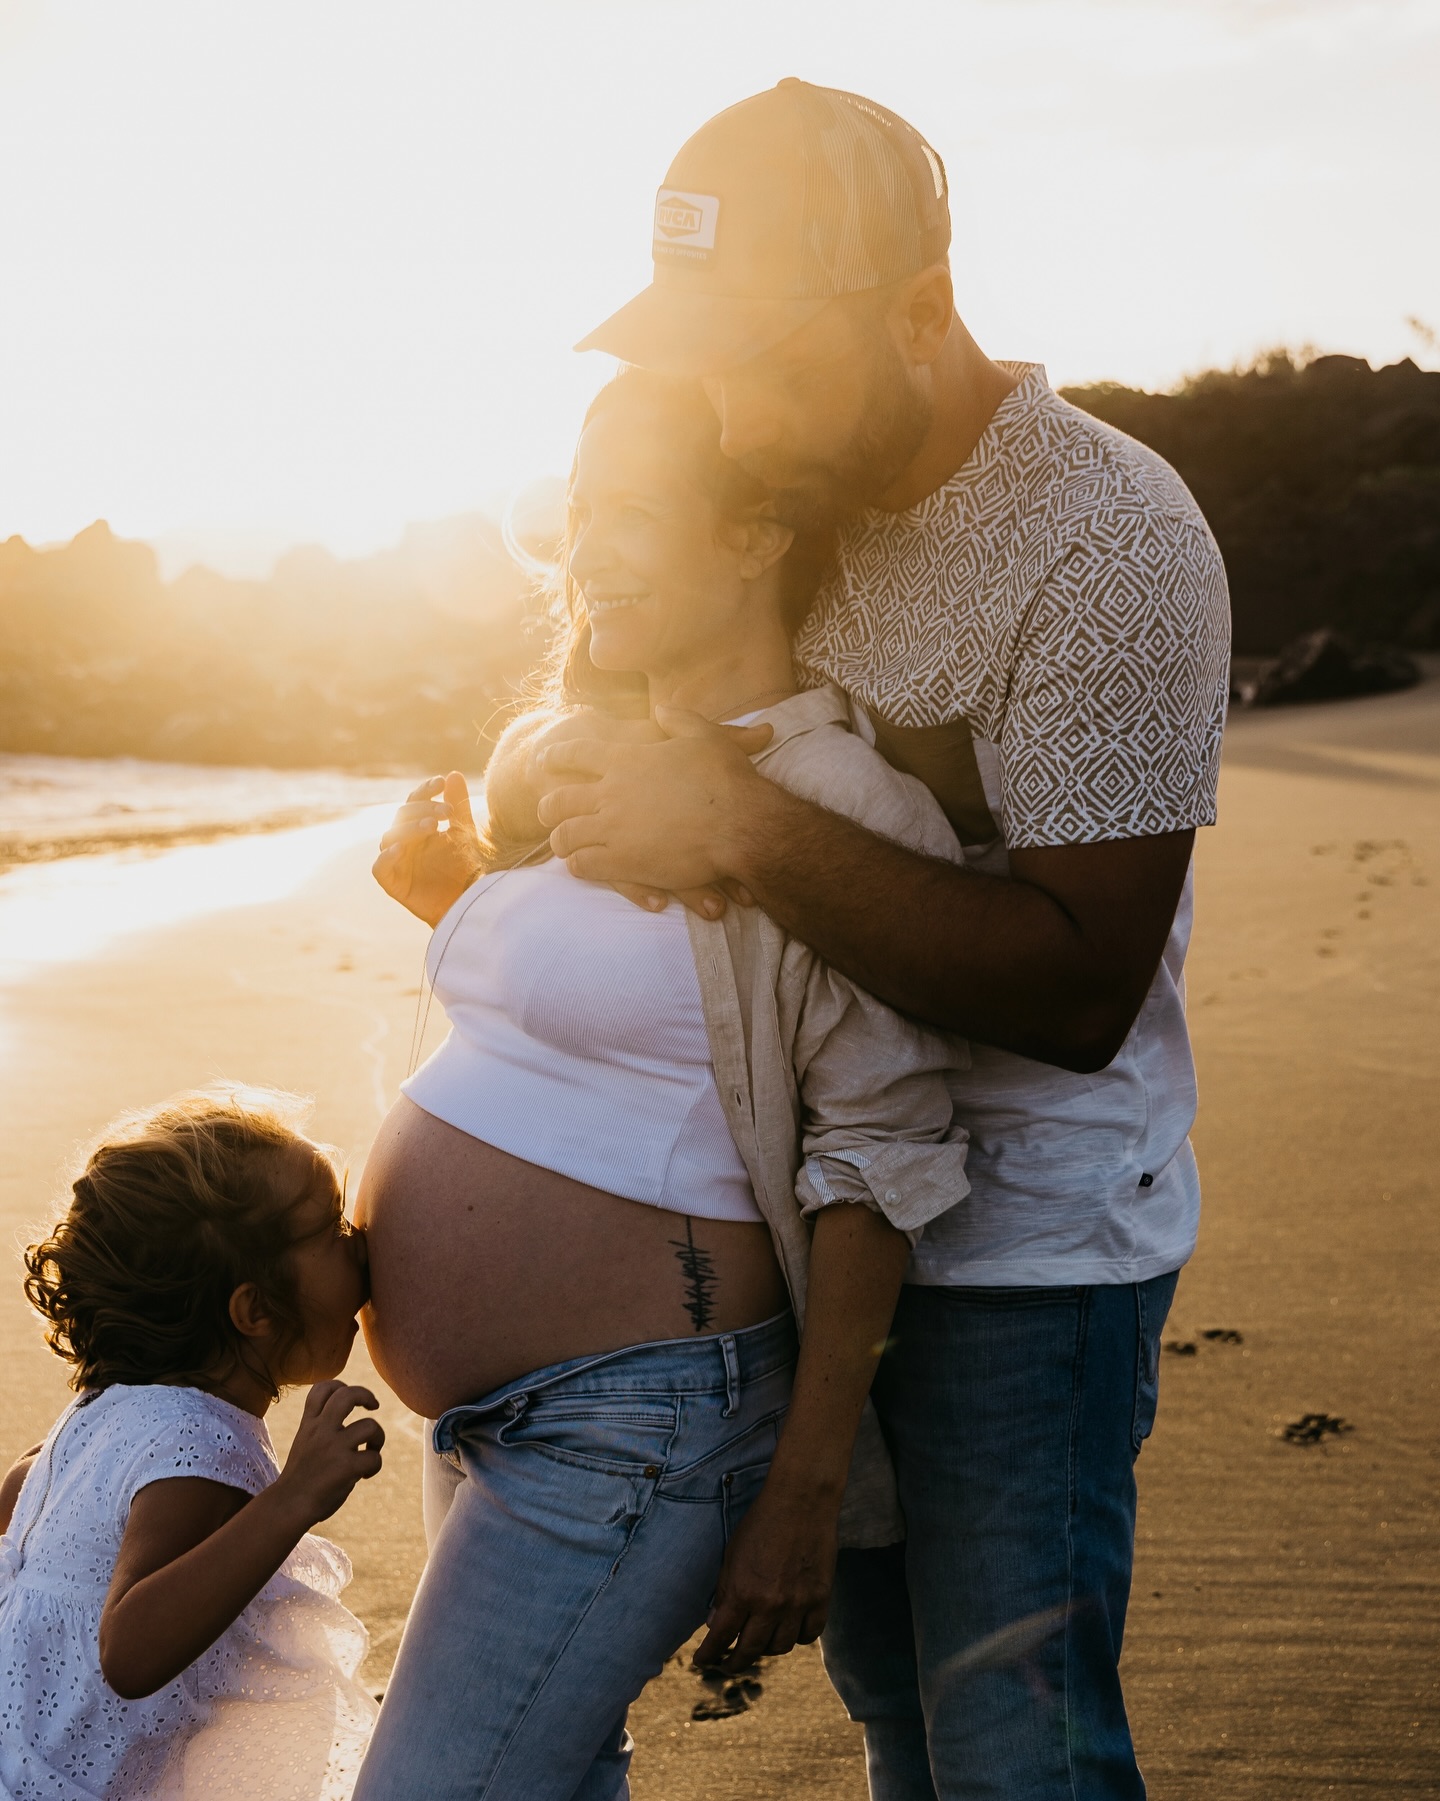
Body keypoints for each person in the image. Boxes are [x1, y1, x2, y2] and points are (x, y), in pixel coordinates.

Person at [498, 80, 1232, 1801]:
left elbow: (1074, 988)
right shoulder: (788, 476)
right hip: (816, 1231)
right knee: (905, 1722)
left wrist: (743, 826)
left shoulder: (1109, 541)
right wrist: (512, 803)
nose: (728, 409)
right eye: (707, 356)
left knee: (1013, 1753)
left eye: (764, 355)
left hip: (1027, 1253)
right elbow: (619, 655)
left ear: (920, 311)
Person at [352, 366, 970, 1800]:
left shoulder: (845, 812)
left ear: (755, 534)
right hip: (493, 1423)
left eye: (631, 508)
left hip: (640, 1424)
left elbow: (877, 1166)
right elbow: (594, 1025)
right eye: (577, 512)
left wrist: (805, 1497)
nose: (587, 549)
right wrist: (450, 907)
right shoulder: (559, 764)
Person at [0, 1086, 383, 1800]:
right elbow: (132, 1649)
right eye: (330, 1225)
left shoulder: (95, 1413)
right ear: (255, 1309)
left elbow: (19, 1499)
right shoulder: (196, 1448)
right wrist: (293, 1495)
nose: (359, 1239)